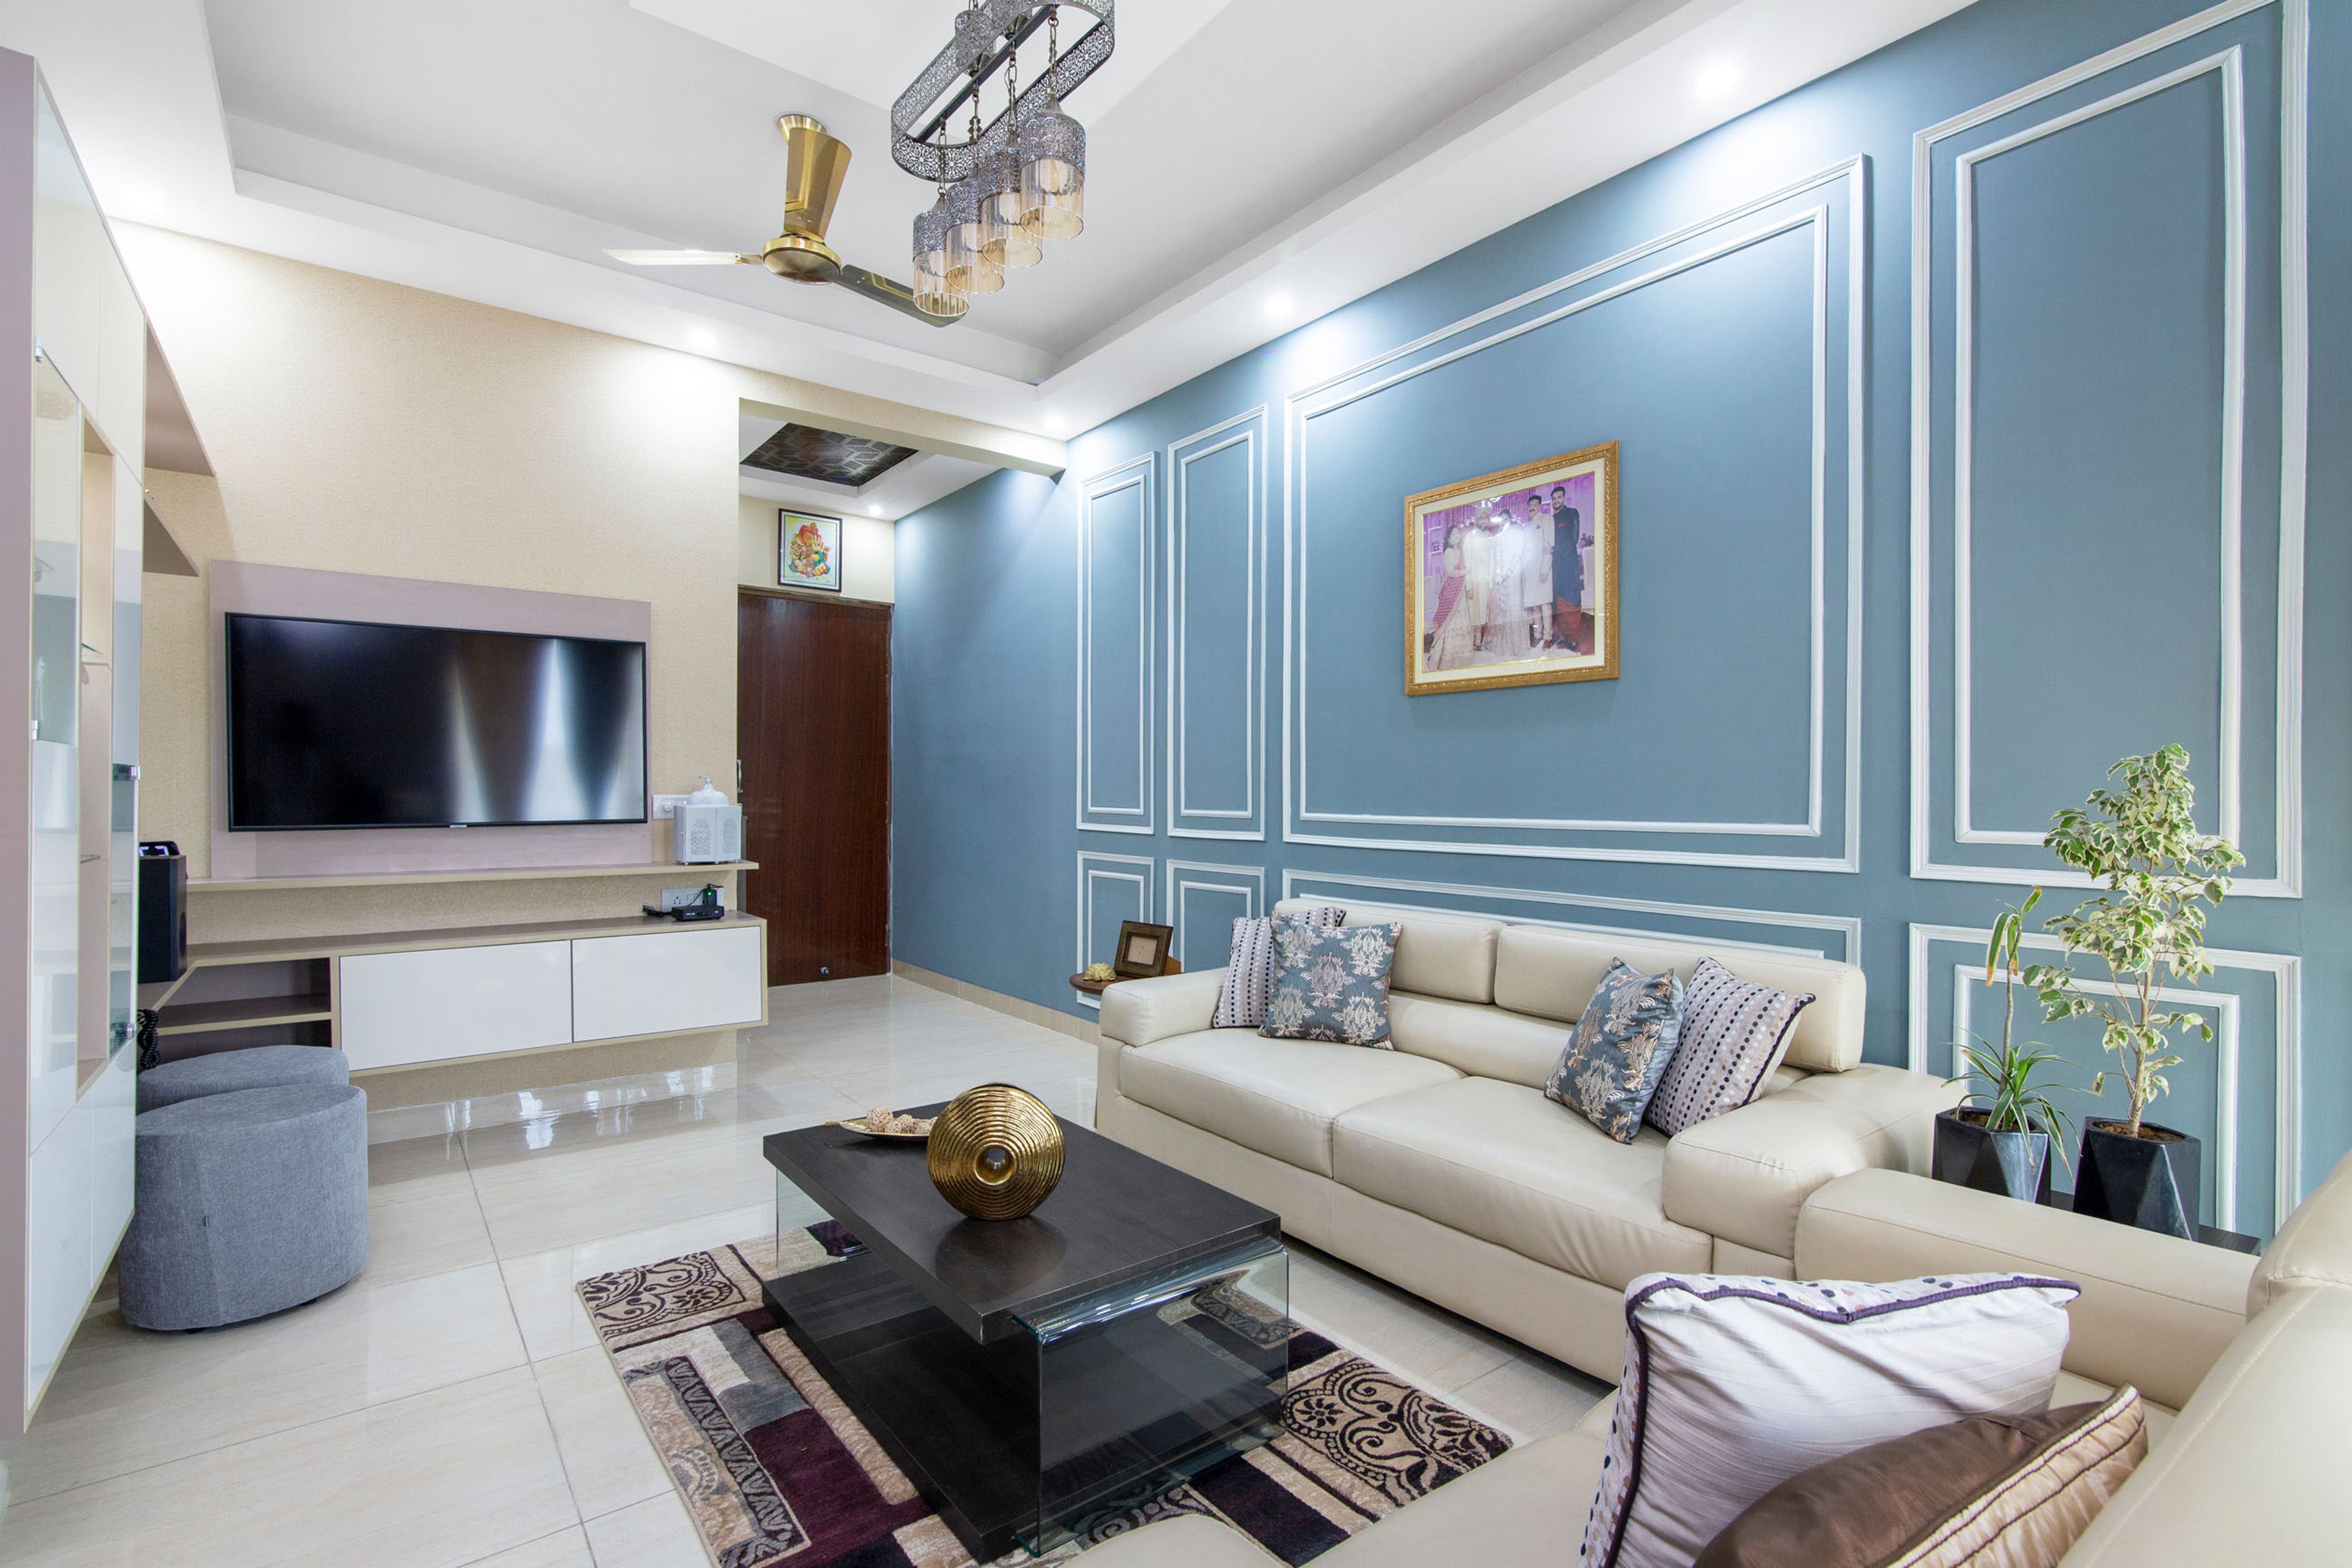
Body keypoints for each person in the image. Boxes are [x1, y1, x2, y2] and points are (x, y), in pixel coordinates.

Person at [1425, 521, 1476, 670]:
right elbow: (1451, 572)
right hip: (1451, 591)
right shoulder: (1448, 552)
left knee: (1462, 621)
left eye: (1458, 533)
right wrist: (1466, 572)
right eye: (1454, 534)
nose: (1457, 536)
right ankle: (1445, 658)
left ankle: (1459, 659)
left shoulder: (1459, 552)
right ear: (1448, 539)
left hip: (1459, 591)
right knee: (1450, 623)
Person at [1549, 484, 1585, 652]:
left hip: (1568, 565)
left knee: (1570, 600)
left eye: (1559, 498)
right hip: (1555, 567)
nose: (1556, 501)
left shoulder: (1572, 514)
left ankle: (1573, 638)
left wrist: (1554, 550)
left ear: (1564, 498)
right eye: (1554, 499)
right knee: (1557, 602)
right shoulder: (1552, 519)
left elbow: (1573, 539)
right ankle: (1563, 636)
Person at [1521, 491, 1555, 648]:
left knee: (1545, 605)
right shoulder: (1527, 527)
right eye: (1530, 506)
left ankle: (1548, 637)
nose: (1532, 508)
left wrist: (1545, 569)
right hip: (1530, 571)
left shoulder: (1547, 519)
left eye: (1535, 505)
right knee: (1535, 605)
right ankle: (1537, 635)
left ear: (1540, 506)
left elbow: (1549, 546)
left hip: (1542, 569)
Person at [1458, 506, 1493, 654]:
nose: (1484, 521)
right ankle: (1474, 642)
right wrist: (1469, 586)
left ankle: (1481, 641)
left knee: (1484, 610)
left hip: (1486, 580)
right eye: (1481, 518)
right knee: (1474, 612)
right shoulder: (1469, 537)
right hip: (1473, 579)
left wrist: (1491, 579)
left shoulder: (1490, 536)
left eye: (1486, 518)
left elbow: (1492, 559)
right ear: (1476, 519)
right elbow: (1467, 563)